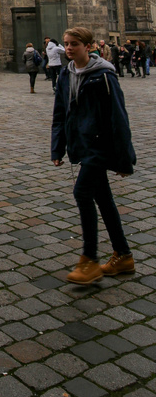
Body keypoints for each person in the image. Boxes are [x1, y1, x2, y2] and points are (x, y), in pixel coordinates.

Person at [51, 25, 136, 284]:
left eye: (74, 44)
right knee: (103, 198)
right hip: (81, 144)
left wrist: (124, 159)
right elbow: (60, 114)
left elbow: (119, 119)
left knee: (82, 193)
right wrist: (58, 147)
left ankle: (89, 260)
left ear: (88, 46)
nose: (68, 48)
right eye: (66, 43)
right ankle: (123, 255)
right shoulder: (66, 75)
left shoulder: (104, 76)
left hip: (99, 146)